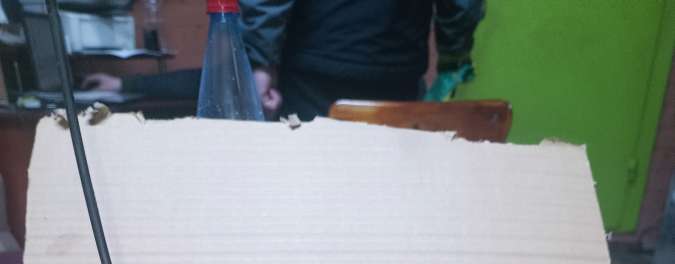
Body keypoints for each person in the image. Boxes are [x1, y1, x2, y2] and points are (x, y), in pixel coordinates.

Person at [83, 0, 485, 120]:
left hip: (315, 74)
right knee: (388, 205)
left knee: (306, 204)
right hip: (399, 72)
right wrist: (452, 59)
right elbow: (462, 5)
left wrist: (260, 63)